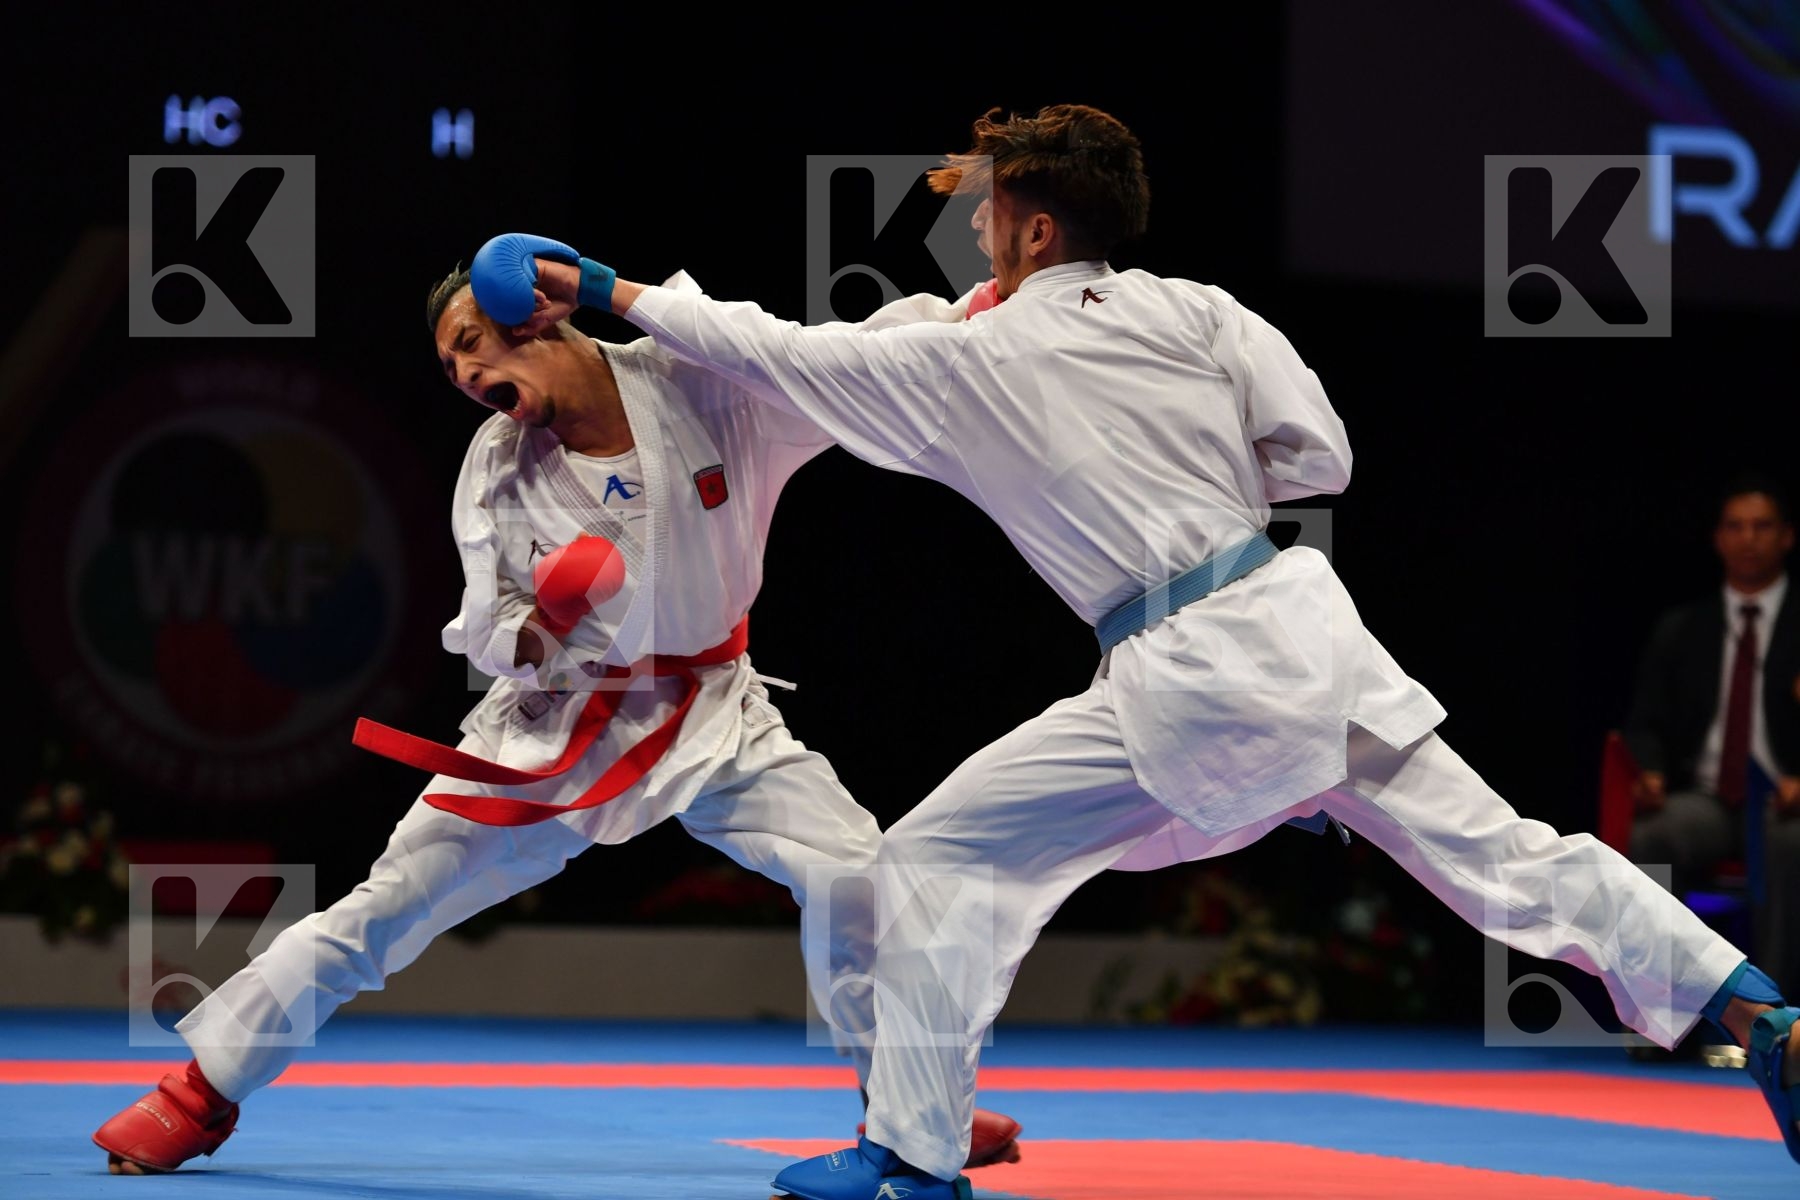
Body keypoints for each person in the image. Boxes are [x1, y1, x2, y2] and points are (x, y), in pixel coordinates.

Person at [481, 103, 1800, 1200]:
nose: (975, 228)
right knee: (1513, 859)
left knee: (941, 858)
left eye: (989, 209)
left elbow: (773, 349)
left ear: (1035, 225)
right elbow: (1322, 458)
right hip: (1304, 631)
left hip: (1186, 672)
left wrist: (612, 293)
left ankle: (914, 1151)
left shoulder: (976, 354)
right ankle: (1755, 1009)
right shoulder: (1203, 313)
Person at [89, 255, 1020, 1176]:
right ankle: (198, 1094)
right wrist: (545, 624)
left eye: (468, 343)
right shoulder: (497, 469)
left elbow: (842, 356)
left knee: (861, 876)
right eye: (448, 369)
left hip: (715, 714)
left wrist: (976, 306)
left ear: (532, 317)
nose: (461, 376)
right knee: (385, 910)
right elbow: (486, 632)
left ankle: (910, 1111)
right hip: (551, 729)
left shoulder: (703, 386)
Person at [1626, 475, 1800, 991]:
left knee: (1792, 844)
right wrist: (1651, 770)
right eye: (1736, 527)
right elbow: (1644, 721)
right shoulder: (1683, 627)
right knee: (1654, 836)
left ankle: (1774, 1013)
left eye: (1762, 527)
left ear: (1787, 537)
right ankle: (1659, 1008)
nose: (1749, 538)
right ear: (1718, 539)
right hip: (1707, 799)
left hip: (1785, 803)